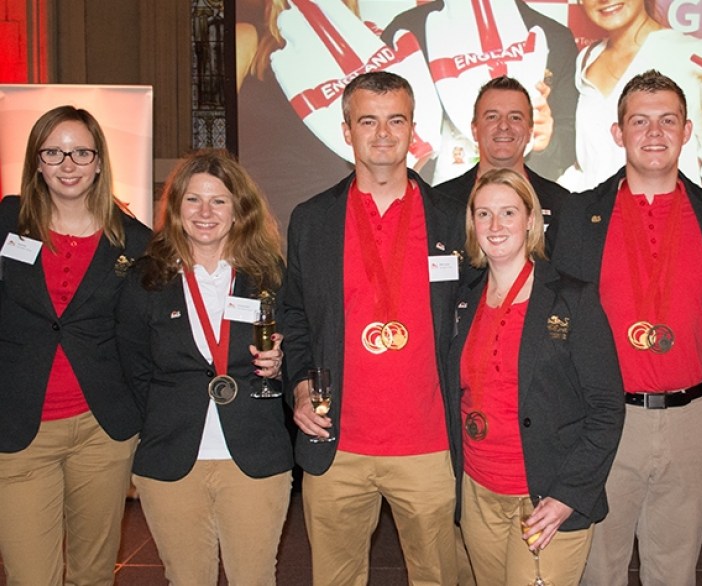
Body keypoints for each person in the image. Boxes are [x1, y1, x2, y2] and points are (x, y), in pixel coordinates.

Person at [280, 71, 465, 585]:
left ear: (413, 130)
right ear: (346, 131)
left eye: (395, 120)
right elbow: (293, 315)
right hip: (337, 443)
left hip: (429, 447)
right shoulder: (312, 220)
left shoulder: (453, 219)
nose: (383, 134)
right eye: (368, 121)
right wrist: (298, 387)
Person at [551, 70, 702, 585]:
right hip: (608, 421)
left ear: (687, 129)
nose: (654, 133)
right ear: (618, 133)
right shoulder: (579, 215)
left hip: (692, 419)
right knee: (597, 571)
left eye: (667, 120)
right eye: (640, 121)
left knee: (675, 572)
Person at [116, 149, 292, 584]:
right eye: (193, 199)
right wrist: (165, 414)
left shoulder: (269, 275)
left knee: (254, 578)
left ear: (239, 210)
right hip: (174, 458)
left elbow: (299, 353)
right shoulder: (147, 279)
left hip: (254, 455)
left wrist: (282, 365)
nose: (205, 212)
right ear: (176, 208)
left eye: (219, 200)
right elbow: (133, 368)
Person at [0, 105, 152, 585]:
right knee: (30, 577)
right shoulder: (7, 220)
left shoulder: (133, 240)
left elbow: (144, 336)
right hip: (20, 428)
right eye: (54, 152)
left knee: (93, 573)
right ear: (37, 161)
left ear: (100, 161)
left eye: (80, 152)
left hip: (101, 431)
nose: (68, 164)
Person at [450, 168, 624, 585]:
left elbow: (606, 408)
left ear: (531, 220)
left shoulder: (572, 298)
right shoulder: (464, 299)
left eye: (508, 212)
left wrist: (569, 494)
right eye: (484, 214)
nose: (495, 226)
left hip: (547, 496)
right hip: (478, 494)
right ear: (472, 224)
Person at [561, 0, 702, 193]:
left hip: (665, 215)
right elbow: (587, 166)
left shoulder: (695, 55)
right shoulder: (587, 58)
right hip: (599, 217)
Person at [382, 0, 579, 183]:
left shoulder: (553, 37)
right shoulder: (407, 31)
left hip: (521, 201)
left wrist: (546, 143)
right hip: (434, 202)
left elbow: (569, 142)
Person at [435, 76, 569, 232]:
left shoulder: (561, 204)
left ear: (530, 131)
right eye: (492, 117)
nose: (504, 125)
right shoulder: (440, 202)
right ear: (474, 130)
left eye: (515, 117)